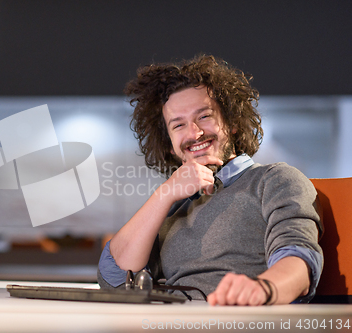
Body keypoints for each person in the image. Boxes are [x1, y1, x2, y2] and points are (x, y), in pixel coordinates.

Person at [97, 55, 323, 306]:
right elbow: (114, 278)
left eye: (204, 116)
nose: (194, 133)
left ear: (233, 123)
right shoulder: (171, 207)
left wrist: (263, 289)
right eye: (178, 125)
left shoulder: (275, 179)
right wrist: (165, 194)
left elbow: (299, 260)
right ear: (170, 145)